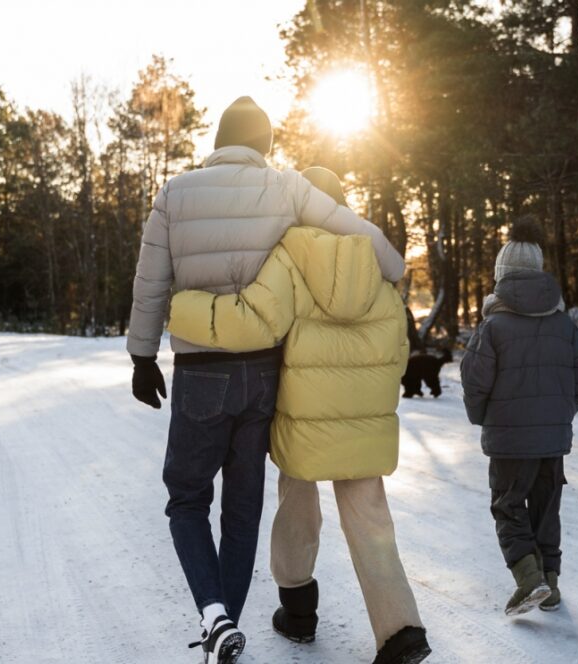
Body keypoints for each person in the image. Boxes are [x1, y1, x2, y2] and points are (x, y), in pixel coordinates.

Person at [126, 98, 405, 664]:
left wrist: (142, 354)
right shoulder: (284, 188)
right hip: (262, 374)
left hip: (202, 371)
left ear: (219, 141)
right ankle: (221, 631)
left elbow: (150, 278)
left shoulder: (176, 192)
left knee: (186, 499)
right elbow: (350, 229)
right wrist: (393, 266)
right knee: (244, 508)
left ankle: (216, 617)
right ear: (266, 146)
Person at [167, 167, 431, 664]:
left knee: (296, 504)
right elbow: (399, 348)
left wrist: (182, 309)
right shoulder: (375, 259)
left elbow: (255, 321)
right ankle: (401, 632)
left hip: (301, 413)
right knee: (371, 520)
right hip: (364, 417)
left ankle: (299, 610)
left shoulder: (290, 254)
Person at [459, 217, 578, 616]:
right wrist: (557, 415)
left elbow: (474, 380)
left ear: (501, 275)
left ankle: (529, 579)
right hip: (552, 440)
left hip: (509, 440)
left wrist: (485, 417)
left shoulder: (493, 325)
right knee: (546, 508)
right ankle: (550, 585)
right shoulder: (564, 323)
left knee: (508, 505)